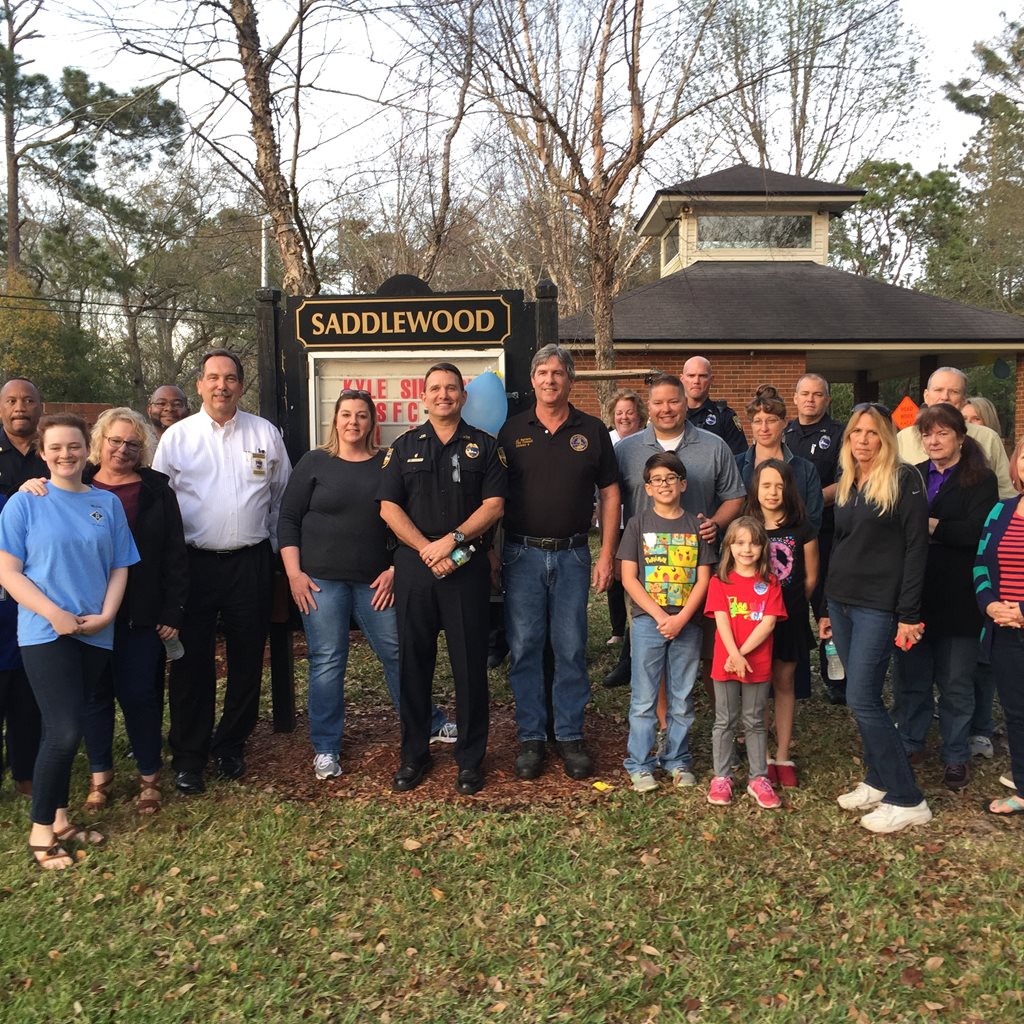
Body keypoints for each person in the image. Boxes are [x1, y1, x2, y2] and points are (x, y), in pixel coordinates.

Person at [279, 388, 455, 781]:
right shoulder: (314, 462)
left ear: (372, 422)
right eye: (346, 414)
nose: (353, 422)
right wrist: (294, 574)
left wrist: (395, 568)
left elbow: (405, 521)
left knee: (398, 652)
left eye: (361, 415)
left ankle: (427, 721)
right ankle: (326, 747)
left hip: (376, 582)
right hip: (320, 582)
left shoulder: (386, 463)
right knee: (327, 662)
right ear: (335, 419)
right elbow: (288, 519)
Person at [0, 414, 139, 869]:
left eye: (74, 446)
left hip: (96, 632)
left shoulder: (107, 504)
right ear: (43, 453)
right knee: (62, 731)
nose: (66, 454)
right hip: (45, 633)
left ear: (88, 450)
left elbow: (120, 566)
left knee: (66, 728)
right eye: (56, 447)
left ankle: (60, 819)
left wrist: (108, 615)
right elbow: (8, 573)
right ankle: (41, 832)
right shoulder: (24, 504)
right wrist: (54, 614)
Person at [152, 349, 291, 795]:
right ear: (199, 385)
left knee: (249, 658)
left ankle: (231, 744)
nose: (222, 386)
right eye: (213, 378)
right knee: (190, 663)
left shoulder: (265, 433)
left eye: (230, 378)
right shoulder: (177, 438)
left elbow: (281, 498)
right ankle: (189, 756)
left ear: (241, 385)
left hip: (249, 563)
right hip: (192, 565)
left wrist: (270, 551)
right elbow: (159, 503)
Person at [379, 362, 505, 795]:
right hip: (415, 566)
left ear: (463, 397)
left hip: (465, 563)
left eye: (452, 388)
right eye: (435, 389)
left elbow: (493, 506)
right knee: (413, 664)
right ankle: (414, 755)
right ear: (424, 397)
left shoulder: (484, 447)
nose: (444, 395)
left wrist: (450, 543)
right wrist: (425, 548)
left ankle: (470, 759)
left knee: (469, 666)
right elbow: (388, 508)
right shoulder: (404, 445)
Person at [498, 344, 619, 781]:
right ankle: (531, 736)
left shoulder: (593, 430)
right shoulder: (511, 432)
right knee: (526, 646)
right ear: (532, 380)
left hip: (572, 555)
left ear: (571, 380)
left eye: (558, 373)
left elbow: (609, 493)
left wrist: (607, 553)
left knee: (570, 647)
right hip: (521, 554)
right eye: (542, 373)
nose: (550, 380)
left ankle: (569, 734)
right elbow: (494, 499)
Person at [821, 403, 931, 834]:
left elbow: (916, 549)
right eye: (856, 433)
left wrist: (909, 614)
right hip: (842, 601)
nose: (863, 440)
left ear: (886, 437)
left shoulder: (905, 480)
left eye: (871, 433)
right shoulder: (850, 479)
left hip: (879, 606)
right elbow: (843, 541)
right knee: (857, 692)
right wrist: (827, 606)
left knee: (863, 698)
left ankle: (908, 798)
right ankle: (877, 779)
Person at [79, 409, 188, 815]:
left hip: (142, 614)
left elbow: (176, 555)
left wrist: (172, 610)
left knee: (141, 695)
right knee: (95, 697)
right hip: (87, 615)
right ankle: (99, 778)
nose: (123, 449)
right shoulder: (76, 484)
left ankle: (148, 778)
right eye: (115, 441)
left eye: (133, 444)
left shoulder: (158, 491)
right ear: (100, 441)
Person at [608, 373, 746, 689]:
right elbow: (612, 502)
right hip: (646, 571)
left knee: (709, 649)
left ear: (686, 403)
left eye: (673, 401)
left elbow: (734, 496)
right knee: (651, 651)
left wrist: (716, 522)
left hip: (700, 569)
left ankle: (719, 717)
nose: (666, 409)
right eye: (658, 403)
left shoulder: (714, 446)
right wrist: (614, 553)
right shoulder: (626, 450)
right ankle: (662, 726)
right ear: (649, 407)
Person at [890, 404, 997, 790]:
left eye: (942, 433)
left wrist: (929, 525)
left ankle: (955, 755)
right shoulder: (911, 475)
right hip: (916, 595)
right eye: (927, 434)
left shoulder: (979, 480)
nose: (933, 441)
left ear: (960, 438)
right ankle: (911, 742)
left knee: (956, 683)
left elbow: (976, 532)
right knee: (913, 678)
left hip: (959, 596)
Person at [617, 452, 714, 792]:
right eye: (657, 480)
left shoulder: (696, 526)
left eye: (671, 478)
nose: (664, 484)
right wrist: (661, 616)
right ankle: (640, 764)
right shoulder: (638, 524)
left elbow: (704, 580)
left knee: (683, 696)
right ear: (648, 487)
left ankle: (677, 758)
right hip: (648, 623)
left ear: (682, 484)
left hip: (688, 624)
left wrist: (682, 618)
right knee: (644, 697)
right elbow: (629, 577)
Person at [741, 459, 818, 788]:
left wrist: (788, 607)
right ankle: (761, 756)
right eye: (766, 485)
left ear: (789, 489)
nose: (772, 492)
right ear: (756, 488)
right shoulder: (746, 528)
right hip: (753, 621)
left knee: (784, 682)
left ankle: (783, 753)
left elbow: (811, 579)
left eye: (779, 485)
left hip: (789, 618)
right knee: (758, 686)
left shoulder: (804, 528)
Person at [704, 516, 785, 809]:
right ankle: (722, 776)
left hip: (756, 663)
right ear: (729, 546)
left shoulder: (771, 583)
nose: (747, 549)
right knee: (724, 720)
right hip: (725, 663)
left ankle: (758, 778)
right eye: (740, 542)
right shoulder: (719, 581)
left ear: (763, 547)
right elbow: (721, 620)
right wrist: (733, 655)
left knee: (754, 720)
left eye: (753, 542)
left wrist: (743, 654)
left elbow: (768, 623)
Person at [784, 373, 845, 703]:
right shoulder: (785, 433)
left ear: (827, 400)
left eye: (817, 394)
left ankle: (835, 677)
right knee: (791, 602)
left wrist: (806, 504)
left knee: (825, 605)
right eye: (804, 393)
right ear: (794, 398)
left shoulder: (838, 435)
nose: (810, 399)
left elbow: (845, 479)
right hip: (786, 536)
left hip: (824, 532)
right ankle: (796, 678)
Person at [974, 434, 1024, 816]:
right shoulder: (1000, 511)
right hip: (1004, 630)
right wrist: (990, 604)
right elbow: (980, 563)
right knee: (1016, 711)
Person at [0, 376, 45, 795]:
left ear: (39, 408)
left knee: (29, 685)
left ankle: (26, 772)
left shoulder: (52, 458)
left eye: (28, 400)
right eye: (12, 400)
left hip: (36, 589)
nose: (20, 407)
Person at [897, 367, 1014, 499]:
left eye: (954, 392)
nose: (945, 397)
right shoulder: (904, 437)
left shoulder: (988, 437)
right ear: (926, 396)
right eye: (938, 390)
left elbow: (1006, 492)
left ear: (964, 400)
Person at [736, 385, 823, 532]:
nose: (764, 428)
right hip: (745, 550)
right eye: (757, 421)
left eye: (771, 420)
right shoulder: (734, 465)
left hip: (792, 551)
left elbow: (812, 520)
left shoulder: (806, 469)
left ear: (784, 423)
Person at [605, 389, 647, 646]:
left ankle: (635, 631)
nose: (624, 417)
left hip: (638, 518)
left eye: (629, 412)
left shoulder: (647, 441)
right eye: (619, 412)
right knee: (614, 573)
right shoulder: (606, 441)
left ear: (640, 416)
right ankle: (618, 629)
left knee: (637, 574)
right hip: (614, 520)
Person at [682, 356, 747, 455]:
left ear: (711, 379)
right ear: (682, 379)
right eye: (691, 375)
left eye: (702, 376)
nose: (696, 381)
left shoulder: (725, 416)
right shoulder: (672, 414)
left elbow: (739, 457)